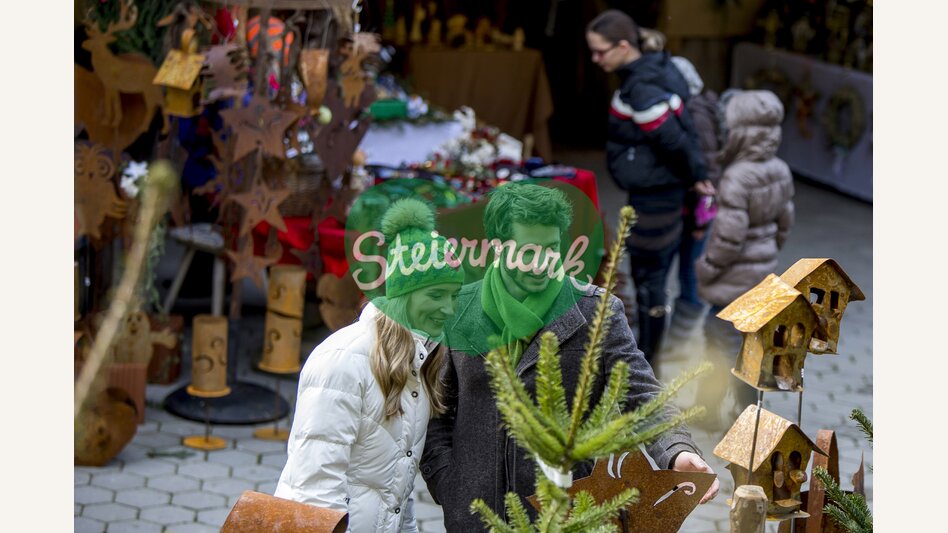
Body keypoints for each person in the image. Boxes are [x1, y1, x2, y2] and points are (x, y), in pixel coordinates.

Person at [420, 183, 718, 532]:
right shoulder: (457, 312)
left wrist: (677, 451)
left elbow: (642, 396)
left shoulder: (595, 311)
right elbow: (436, 410)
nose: (540, 264)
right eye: (527, 251)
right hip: (476, 517)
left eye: (551, 249)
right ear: (498, 246)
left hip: (567, 515)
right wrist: (450, 482)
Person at [275, 198, 465, 533]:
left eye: (454, 295)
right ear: (404, 294)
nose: (449, 309)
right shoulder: (343, 361)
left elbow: (398, 489)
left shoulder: (418, 366)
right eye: (437, 295)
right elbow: (315, 490)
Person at [585, 9, 712, 363]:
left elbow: (674, 139)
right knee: (656, 279)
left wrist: (698, 175)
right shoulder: (655, 69)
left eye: (600, 51)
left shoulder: (641, 87)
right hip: (662, 192)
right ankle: (650, 357)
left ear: (624, 47)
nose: (595, 59)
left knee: (650, 282)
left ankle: (646, 365)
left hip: (656, 200)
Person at [695, 90, 795, 426]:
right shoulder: (780, 168)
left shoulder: (738, 176)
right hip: (760, 272)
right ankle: (726, 411)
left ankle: (731, 414)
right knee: (747, 345)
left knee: (721, 342)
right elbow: (785, 221)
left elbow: (729, 237)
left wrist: (707, 268)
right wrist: (769, 251)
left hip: (731, 278)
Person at [664, 55, 724, 351]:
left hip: (695, 214)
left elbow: (710, 170)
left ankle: (675, 346)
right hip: (691, 211)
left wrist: (701, 220)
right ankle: (674, 344)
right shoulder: (699, 105)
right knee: (688, 276)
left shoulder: (696, 112)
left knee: (690, 278)